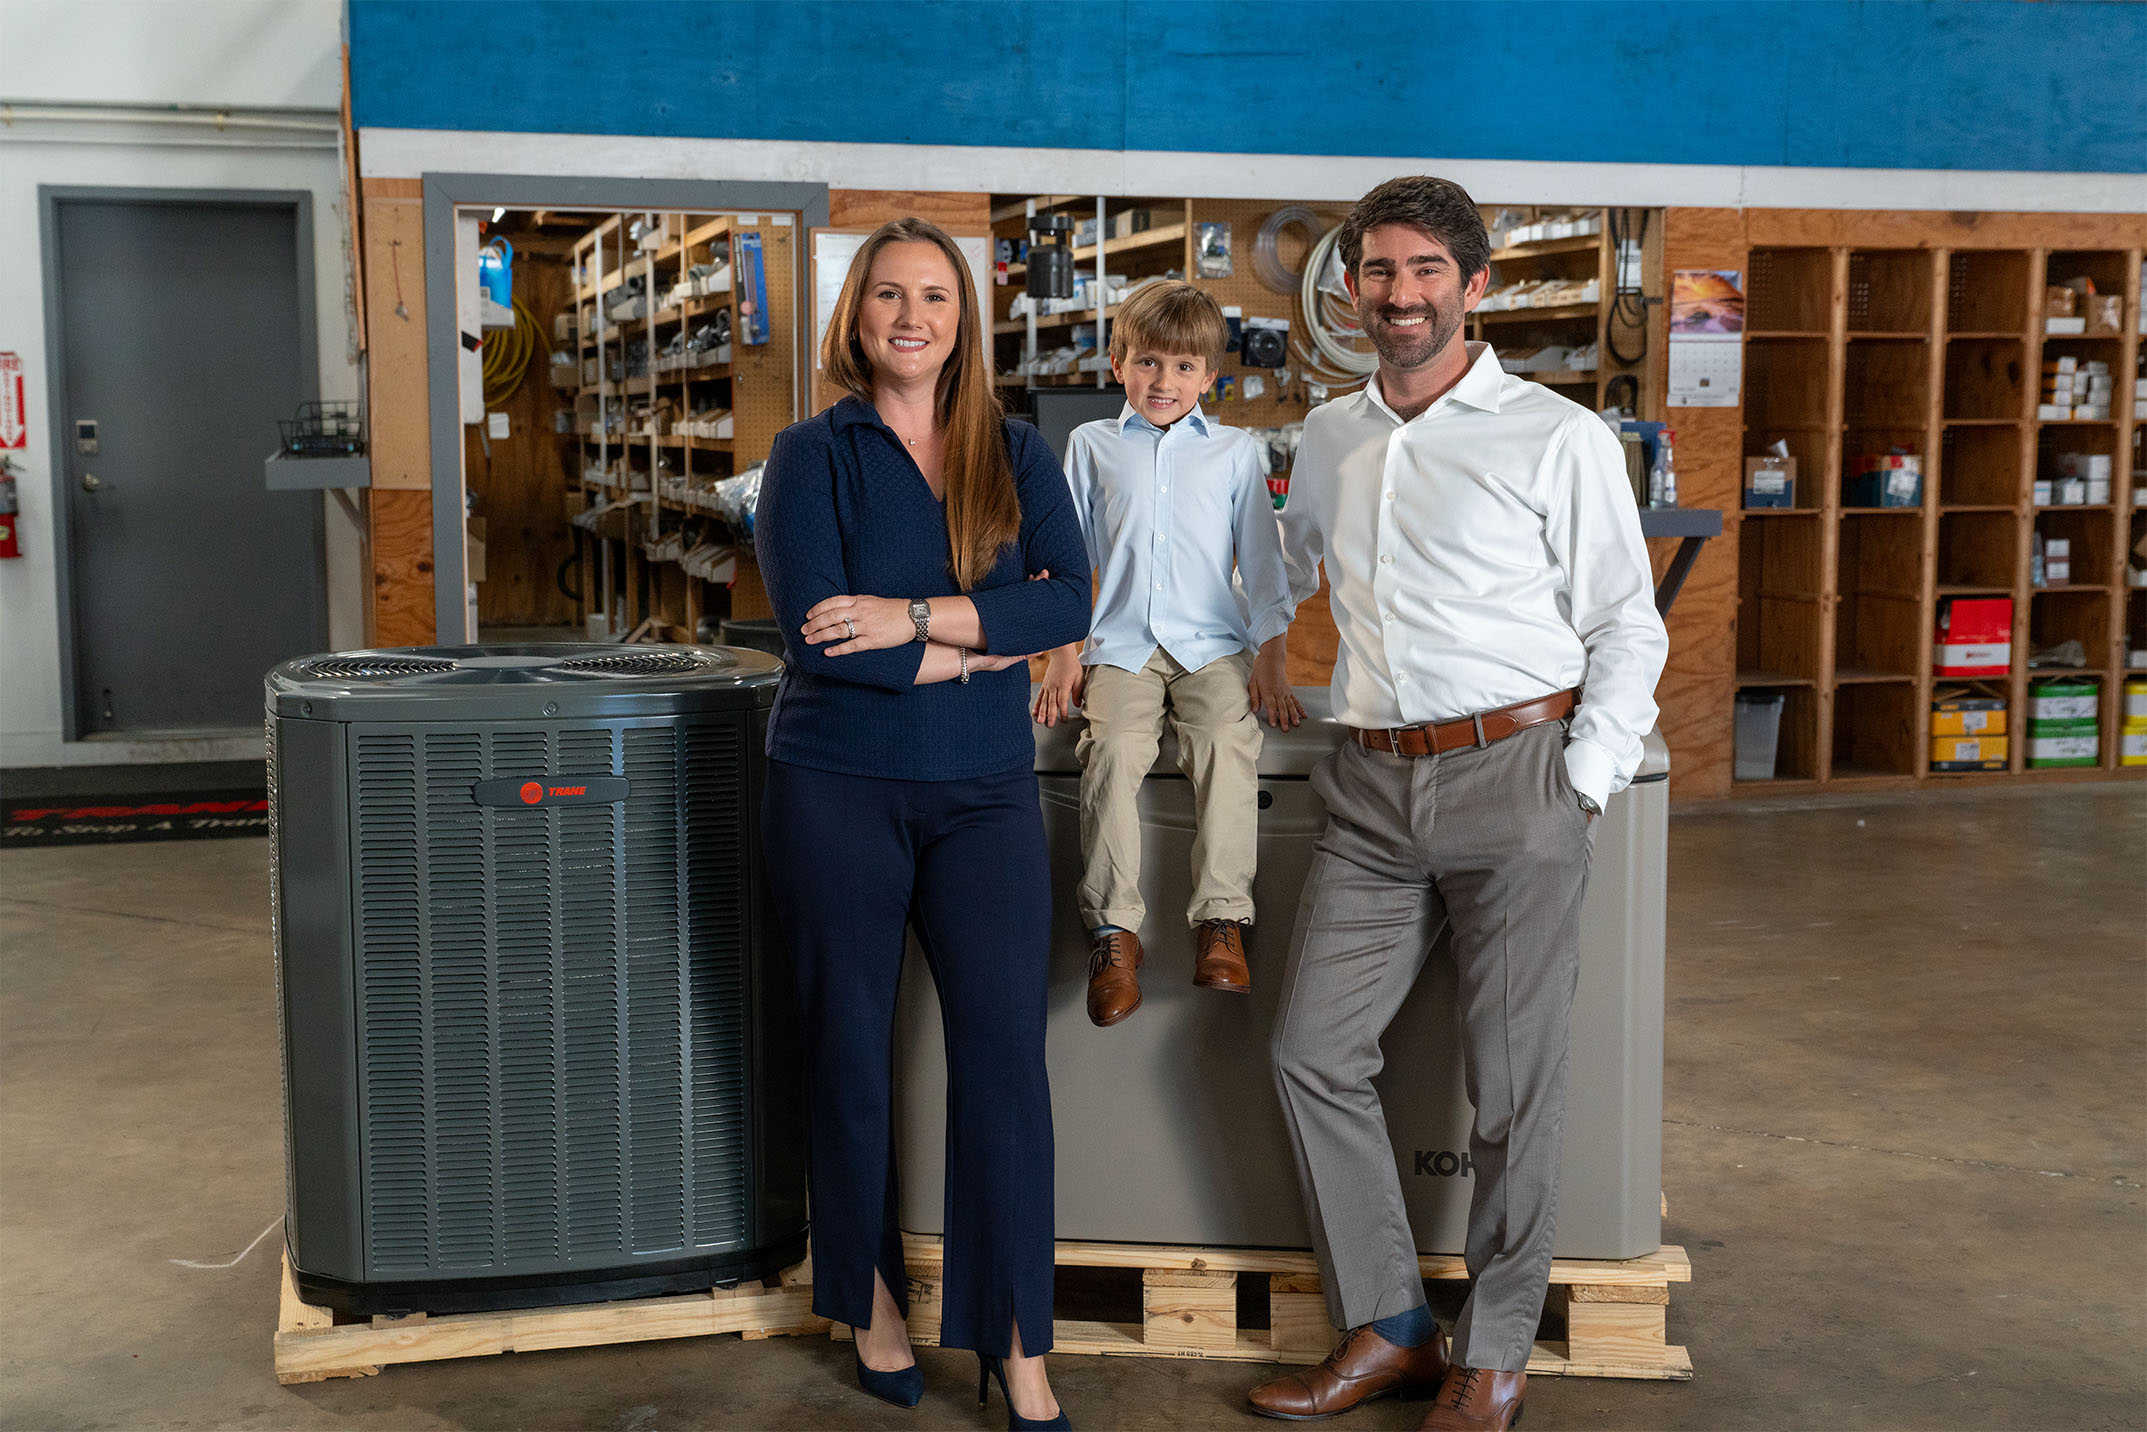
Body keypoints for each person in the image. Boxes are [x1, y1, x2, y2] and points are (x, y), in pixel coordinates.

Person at [1246, 177, 1669, 1432]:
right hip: (1373, 785)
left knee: (1512, 1087)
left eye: (1425, 270)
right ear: (1348, 289)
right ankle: (1387, 1324)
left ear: (1473, 285)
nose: (1399, 295)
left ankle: (1492, 1355)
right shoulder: (1326, 437)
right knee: (1308, 1052)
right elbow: (1276, 570)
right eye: (1377, 271)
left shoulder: (1556, 435)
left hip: (1516, 778)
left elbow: (1623, 628)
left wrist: (1577, 786)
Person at [753, 216, 1089, 1431]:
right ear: (857, 317)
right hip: (834, 786)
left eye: (934, 296)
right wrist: (978, 643)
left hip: (985, 794)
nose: (911, 316)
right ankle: (872, 1302)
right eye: (887, 295)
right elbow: (816, 639)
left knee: (1005, 1063)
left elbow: (1068, 591)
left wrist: (907, 616)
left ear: (964, 318)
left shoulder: (1012, 450)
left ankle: (1015, 1340)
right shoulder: (810, 453)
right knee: (847, 1052)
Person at [1032, 280, 1303, 1027]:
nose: (1163, 382)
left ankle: (1221, 921)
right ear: (1119, 361)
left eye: (1183, 369)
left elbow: (1263, 563)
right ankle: (1114, 935)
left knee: (1223, 739)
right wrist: (1062, 656)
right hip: (1117, 644)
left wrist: (1271, 661)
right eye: (1147, 363)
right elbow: (1063, 561)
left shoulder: (1234, 452)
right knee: (1112, 750)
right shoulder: (1090, 447)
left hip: (1213, 644)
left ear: (1208, 377)